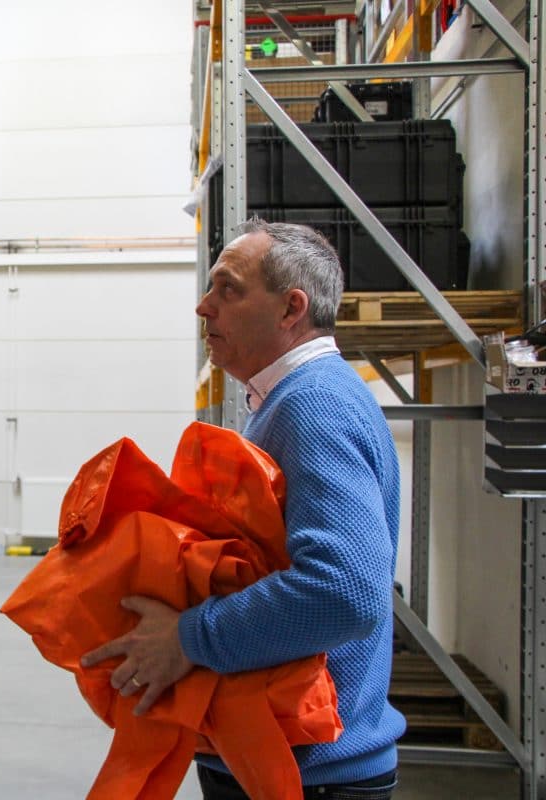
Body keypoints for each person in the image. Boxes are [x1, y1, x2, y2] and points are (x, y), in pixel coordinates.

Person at [80, 219, 404, 799]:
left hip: (310, 775)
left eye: (228, 289)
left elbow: (344, 591)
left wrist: (187, 638)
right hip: (284, 761)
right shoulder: (292, 400)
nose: (205, 308)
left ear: (290, 309)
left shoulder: (315, 407)